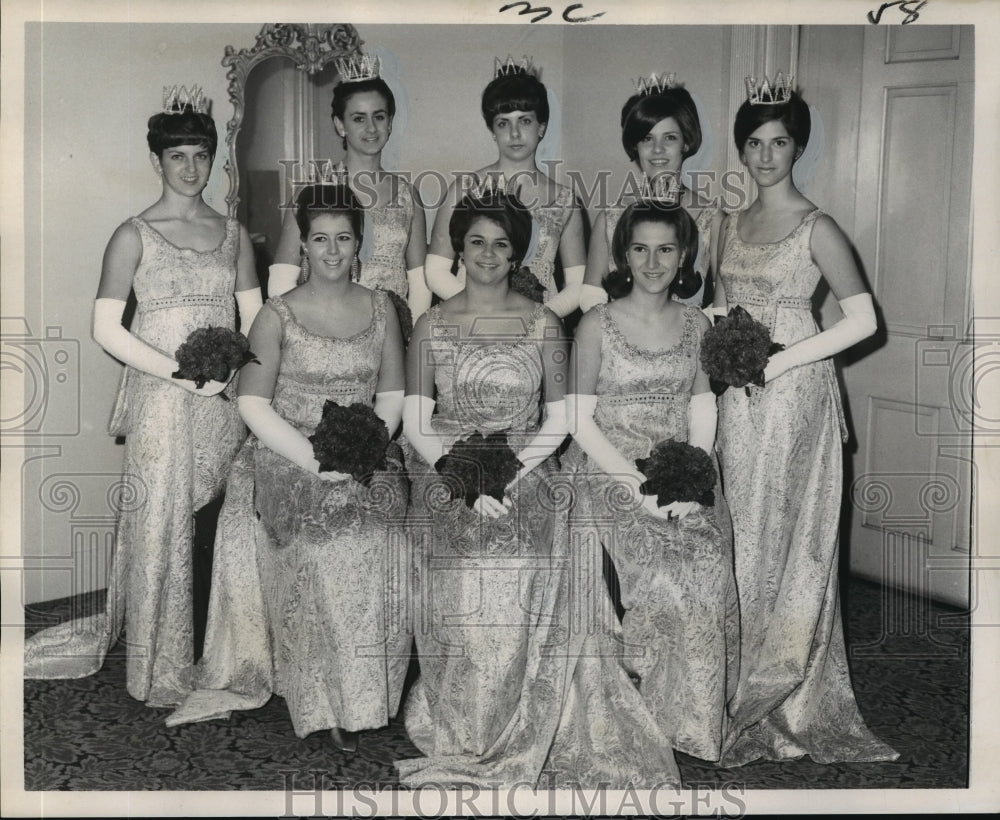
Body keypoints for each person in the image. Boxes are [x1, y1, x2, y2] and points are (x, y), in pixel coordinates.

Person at [396, 189, 679, 788]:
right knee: (468, 563)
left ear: (519, 253)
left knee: (521, 555)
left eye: (502, 244)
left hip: (527, 462)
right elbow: (417, 422)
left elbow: (559, 420)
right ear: (459, 249)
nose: (488, 254)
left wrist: (507, 472)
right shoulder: (430, 325)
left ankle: (523, 717)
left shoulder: (545, 324)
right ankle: (468, 722)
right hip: (449, 466)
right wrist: (465, 473)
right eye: (476, 242)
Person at [24, 87, 262, 707]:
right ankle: (160, 663)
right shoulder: (132, 233)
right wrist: (181, 373)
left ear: (214, 161)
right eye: (178, 155)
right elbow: (107, 328)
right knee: (160, 520)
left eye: (201, 155)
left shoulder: (233, 233)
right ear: (157, 160)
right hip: (162, 396)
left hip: (224, 396)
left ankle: (222, 650)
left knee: (219, 521)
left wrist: (236, 374)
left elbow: (257, 316)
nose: (190, 168)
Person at [167, 184, 408, 752]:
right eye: (319, 239)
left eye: (343, 239)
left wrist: (366, 449)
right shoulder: (277, 316)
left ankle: (368, 696)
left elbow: (393, 394)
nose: (331, 251)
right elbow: (253, 404)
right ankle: (322, 702)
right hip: (288, 456)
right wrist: (315, 459)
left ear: (360, 243)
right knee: (325, 546)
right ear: (303, 243)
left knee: (384, 540)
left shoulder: (381, 308)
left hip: (368, 456)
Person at [712, 82, 897, 765]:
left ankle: (789, 690)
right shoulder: (726, 223)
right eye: (754, 143)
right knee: (741, 533)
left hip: (794, 398)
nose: (765, 156)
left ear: (798, 146)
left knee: (791, 541)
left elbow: (863, 319)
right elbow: (716, 306)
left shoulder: (818, 226)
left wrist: (783, 358)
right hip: (738, 395)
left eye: (779, 142)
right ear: (742, 148)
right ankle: (737, 681)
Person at [565, 202, 739, 761]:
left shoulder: (698, 324)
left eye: (666, 249)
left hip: (677, 469)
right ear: (623, 254)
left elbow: (703, 408)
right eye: (640, 248)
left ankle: (686, 718)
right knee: (659, 570)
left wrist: (691, 475)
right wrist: (636, 486)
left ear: (684, 254)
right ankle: (642, 708)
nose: (653, 261)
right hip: (608, 467)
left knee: (705, 560)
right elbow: (578, 419)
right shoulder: (597, 323)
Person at [269, 57, 431, 319]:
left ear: (390, 123)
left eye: (379, 117)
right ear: (340, 125)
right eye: (358, 118)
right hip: (328, 325)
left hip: (392, 331)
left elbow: (420, 283)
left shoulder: (407, 195)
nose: (371, 128)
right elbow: (281, 279)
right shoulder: (313, 190)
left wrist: (408, 337)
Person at [423, 61, 586, 318]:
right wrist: (483, 311)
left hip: (538, 324)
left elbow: (578, 284)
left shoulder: (565, 200)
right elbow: (435, 271)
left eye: (524, 121)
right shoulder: (466, 189)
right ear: (492, 131)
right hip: (471, 320)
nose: (514, 133)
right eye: (503, 123)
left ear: (541, 127)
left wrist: (536, 318)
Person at [579, 77, 723, 313]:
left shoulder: (713, 219)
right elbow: (590, 296)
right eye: (647, 138)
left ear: (686, 143)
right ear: (635, 146)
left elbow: (721, 304)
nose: (658, 150)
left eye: (670, 138)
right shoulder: (610, 218)